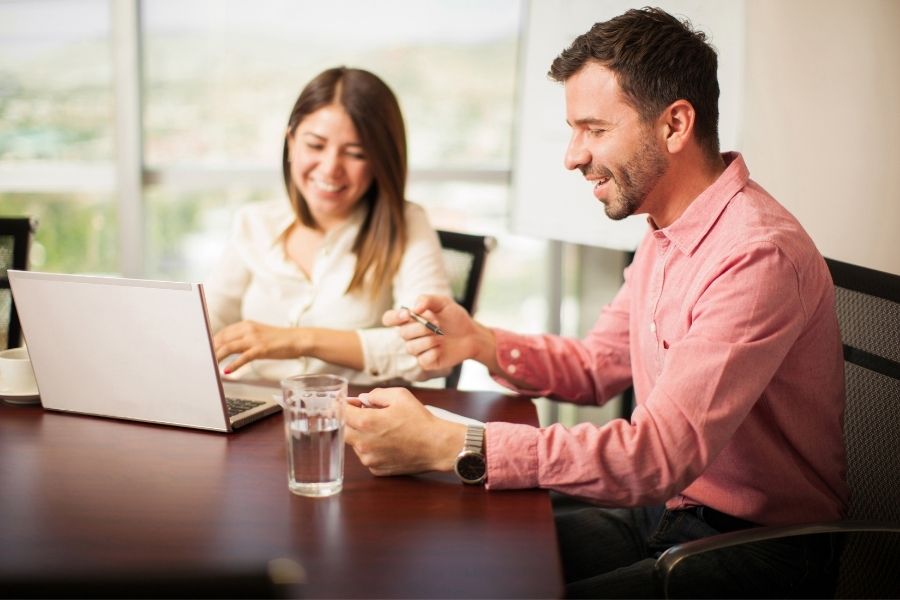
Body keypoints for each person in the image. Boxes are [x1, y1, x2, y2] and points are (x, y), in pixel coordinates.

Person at [343, 8, 847, 598]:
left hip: (761, 549)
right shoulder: (665, 232)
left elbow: (656, 454)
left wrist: (453, 444)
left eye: (595, 129)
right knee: (468, 558)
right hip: (663, 511)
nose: (573, 155)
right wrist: (479, 342)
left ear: (675, 125)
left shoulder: (756, 255)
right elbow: (596, 367)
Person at [205, 67, 450, 385]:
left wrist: (295, 340)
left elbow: (435, 351)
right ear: (291, 142)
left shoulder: (407, 224)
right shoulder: (254, 223)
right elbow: (207, 323)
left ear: (380, 161)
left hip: (356, 420)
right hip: (254, 412)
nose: (331, 168)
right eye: (315, 146)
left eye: (356, 153)